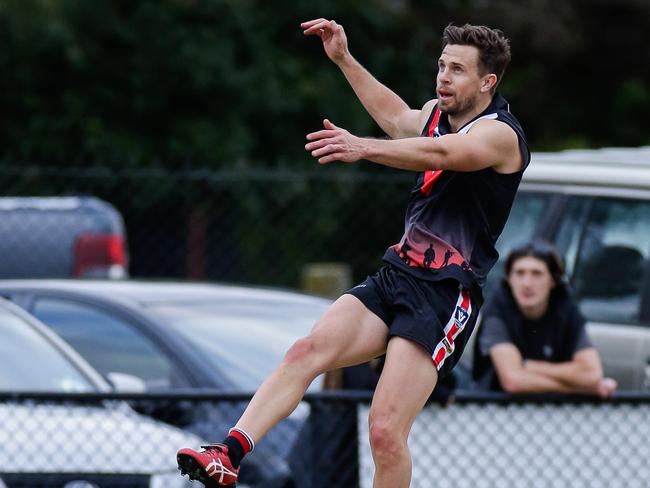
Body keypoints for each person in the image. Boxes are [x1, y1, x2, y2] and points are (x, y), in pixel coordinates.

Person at [177, 18, 530, 488]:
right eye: (442, 66)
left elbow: (443, 155)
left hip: (446, 294)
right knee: (306, 350)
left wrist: (362, 147)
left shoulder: (501, 135)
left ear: (487, 81)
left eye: (458, 70)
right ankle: (229, 454)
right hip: (398, 273)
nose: (443, 77)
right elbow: (397, 118)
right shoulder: (436, 115)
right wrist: (343, 58)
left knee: (385, 432)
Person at [472, 240, 618, 397]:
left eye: (537, 274)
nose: (527, 283)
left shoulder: (566, 307)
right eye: (519, 273)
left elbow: (591, 374)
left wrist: (527, 365)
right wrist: (578, 389)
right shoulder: (497, 309)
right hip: (496, 411)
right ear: (509, 279)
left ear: (553, 280)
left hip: (556, 414)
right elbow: (514, 381)